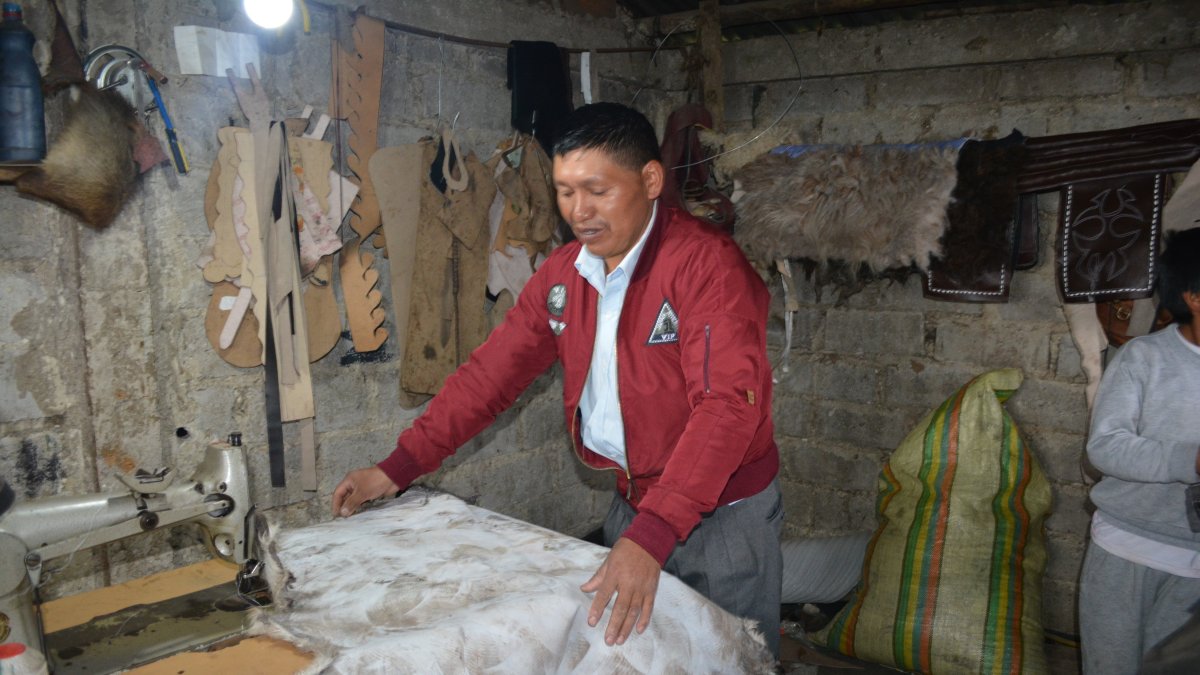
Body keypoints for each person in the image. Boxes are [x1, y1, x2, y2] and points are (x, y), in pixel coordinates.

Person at [332, 102, 783, 657]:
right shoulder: (565, 274)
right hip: (636, 505)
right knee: (636, 660)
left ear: (649, 181)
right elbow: (488, 378)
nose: (579, 211)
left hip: (723, 519)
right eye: (565, 192)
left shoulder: (706, 266)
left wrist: (654, 533)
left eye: (597, 190)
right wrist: (397, 467)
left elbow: (727, 407)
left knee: (731, 659)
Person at [1080, 226, 1200, 674]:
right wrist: (1189, 460)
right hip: (1129, 548)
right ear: (1194, 297)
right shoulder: (1143, 358)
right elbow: (1105, 448)